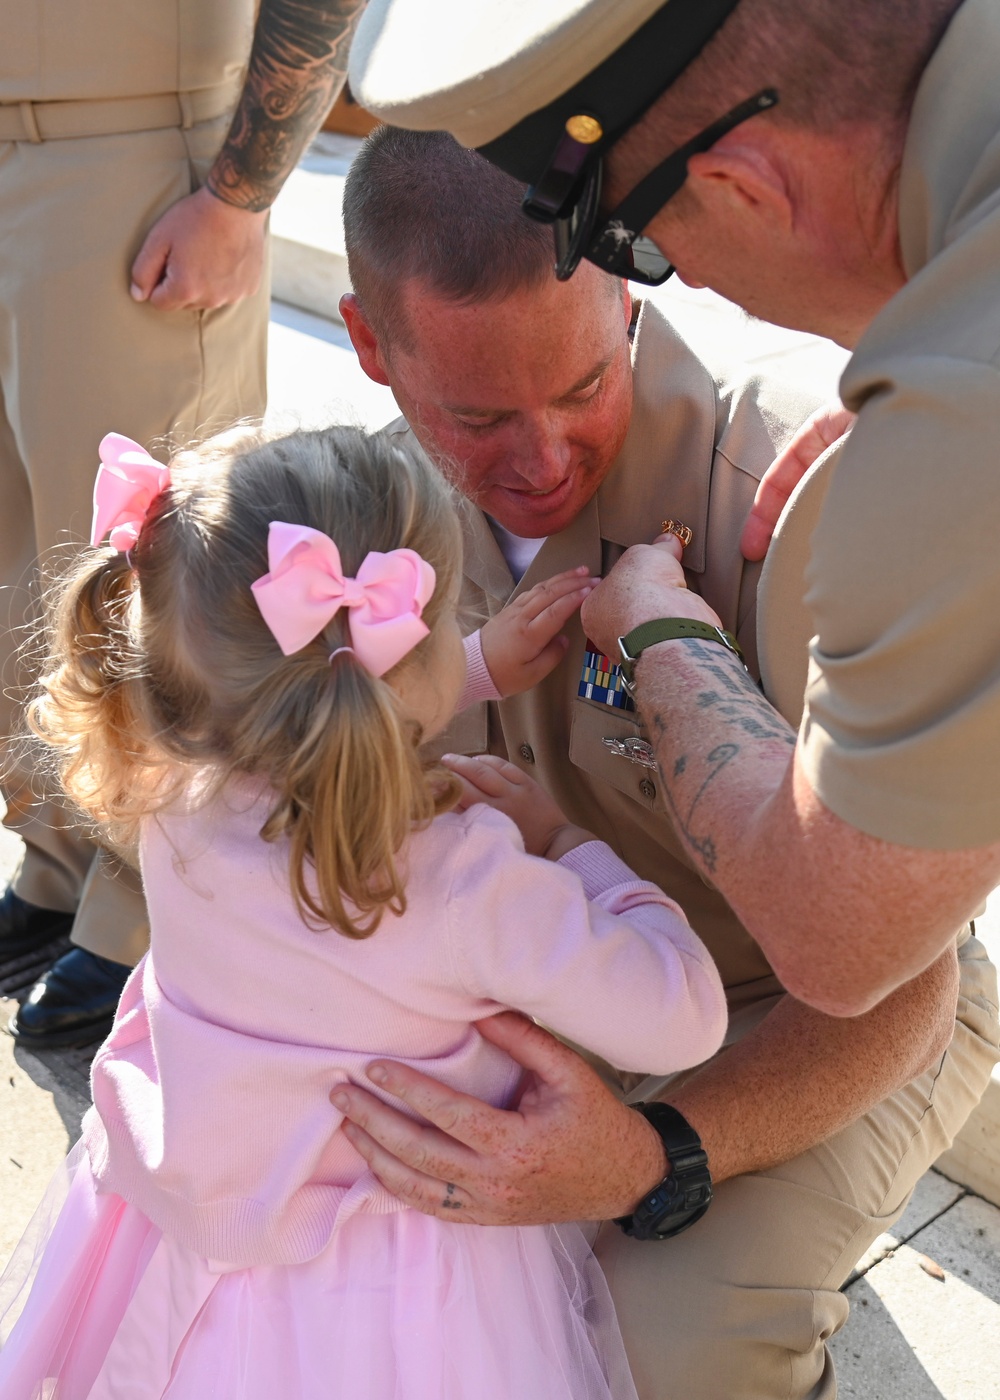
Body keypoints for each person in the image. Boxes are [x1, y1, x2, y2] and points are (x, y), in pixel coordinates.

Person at [329, 126, 999, 1400]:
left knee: (662, 1351)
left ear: (629, 285)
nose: (539, 461)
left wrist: (659, 1154)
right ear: (371, 346)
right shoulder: (367, 509)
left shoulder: (799, 494)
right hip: (552, 975)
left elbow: (887, 978)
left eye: (584, 385)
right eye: (476, 416)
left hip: (803, 1015)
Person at [0, 423, 728, 1400]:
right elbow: (684, 1011)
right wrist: (569, 844)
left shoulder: (176, 799)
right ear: (401, 641)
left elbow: (312, 693)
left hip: (193, 1248)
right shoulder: (465, 879)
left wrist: (465, 665)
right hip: (413, 1302)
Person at [348, 0, 1000, 1015]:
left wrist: (661, 636)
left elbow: (846, 944)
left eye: (643, 246)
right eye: (481, 414)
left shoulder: (951, 412)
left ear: (740, 189)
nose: (687, 281)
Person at [1, 0, 367, 1048]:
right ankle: (58, 856)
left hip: (133, 153)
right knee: (20, 556)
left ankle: (143, 908)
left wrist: (240, 194)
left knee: (149, 567)